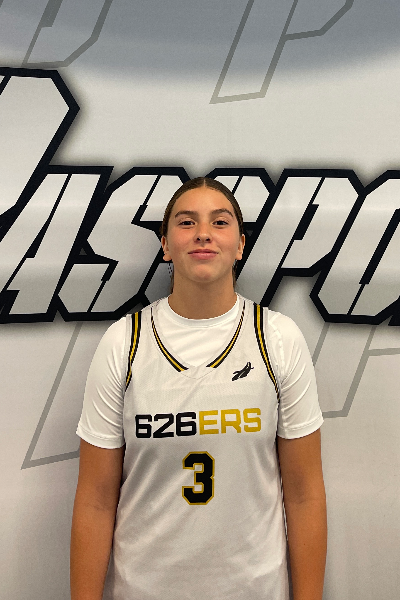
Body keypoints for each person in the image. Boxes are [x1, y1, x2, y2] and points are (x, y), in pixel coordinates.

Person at [70, 177, 327, 600]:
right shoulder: (124, 342)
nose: (203, 233)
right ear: (165, 245)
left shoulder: (277, 338)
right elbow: (96, 499)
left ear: (240, 245)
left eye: (219, 222)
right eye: (186, 222)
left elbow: (304, 494)